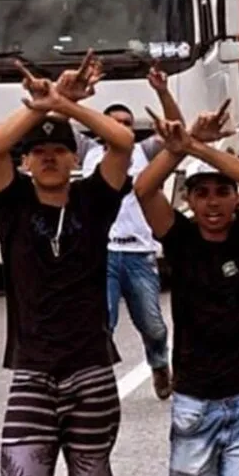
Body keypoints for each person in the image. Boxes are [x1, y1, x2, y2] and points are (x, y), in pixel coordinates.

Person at [0, 54, 134, 476]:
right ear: (26, 163)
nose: (49, 158)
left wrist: (66, 104)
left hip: (91, 370)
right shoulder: (10, 204)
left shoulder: (94, 200)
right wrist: (40, 105)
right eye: (38, 151)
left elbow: (122, 142)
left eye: (59, 150)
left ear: (75, 159)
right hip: (32, 373)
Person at [133, 107, 239, 476]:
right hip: (194, 398)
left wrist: (201, 148)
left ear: (236, 200)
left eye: (222, 192)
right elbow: (144, 189)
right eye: (202, 194)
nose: (213, 202)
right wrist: (178, 149)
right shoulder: (181, 239)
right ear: (190, 201)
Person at [78, 63, 182, 400]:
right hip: (102, 253)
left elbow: (177, 133)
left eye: (127, 124)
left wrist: (163, 92)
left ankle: (158, 364)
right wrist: (74, 97)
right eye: (114, 123)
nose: (121, 128)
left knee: (152, 325)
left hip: (139, 253)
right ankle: (99, 384)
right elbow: (61, 122)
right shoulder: (88, 153)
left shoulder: (143, 153)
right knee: (100, 322)